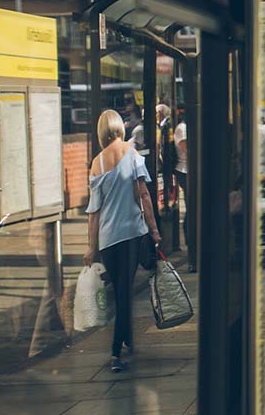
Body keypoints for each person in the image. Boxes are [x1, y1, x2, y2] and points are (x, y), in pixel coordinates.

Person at [84, 109, 162, 373]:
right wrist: (154, 230)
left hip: (108, 239)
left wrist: (91, 247)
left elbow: (93, 213)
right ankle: (116, 353)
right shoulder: (132, 154)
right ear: (120, 127)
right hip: (130, 234)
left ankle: (127, 339)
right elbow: (144, 195)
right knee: (123, 293)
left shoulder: (97, 163)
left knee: (120, 290)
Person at [173, 105, 195, 272]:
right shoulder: (182, 128)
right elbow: (187, 147)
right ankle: (189, 240)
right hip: (184, 170)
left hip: (191, 170)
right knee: (191, 206)